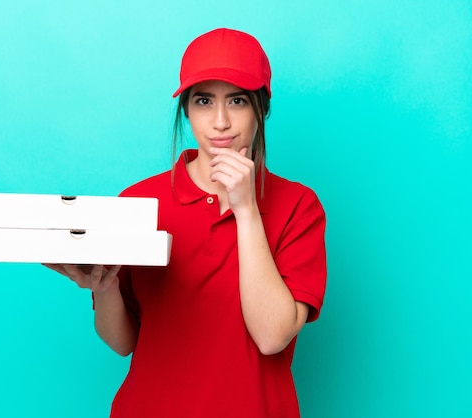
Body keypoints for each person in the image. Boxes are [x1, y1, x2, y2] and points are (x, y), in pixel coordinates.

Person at [45, 28, 327, 418]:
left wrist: (245, 210)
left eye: (238, 100)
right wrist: (106, 287)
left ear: (261, 110)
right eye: (204, 100)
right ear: (187, 111)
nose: (221, 121)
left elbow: (271, 337)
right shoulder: (139, 202)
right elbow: (122, 343)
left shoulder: (299, 206)